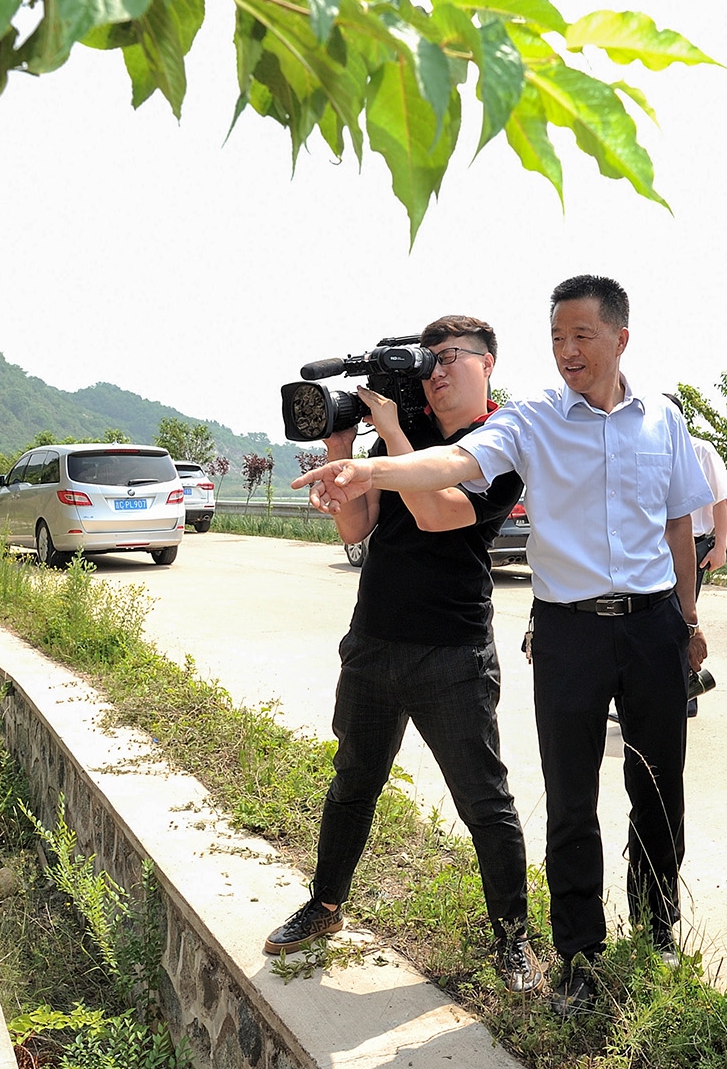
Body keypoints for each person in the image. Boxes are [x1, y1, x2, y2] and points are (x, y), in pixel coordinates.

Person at [294, 276, 711, 1014]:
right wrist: (367, 463)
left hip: (649, 626)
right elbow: (450, 465)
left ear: (621, 337)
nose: (567, 350)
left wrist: (688, 617)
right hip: (568, 632)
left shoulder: (663, 423)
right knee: (571, 803)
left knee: (657, 790)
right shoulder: (532, 422)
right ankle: (580, 955)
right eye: (556, 336)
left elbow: (682, 524)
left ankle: (657, 934)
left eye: (582, 335)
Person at [262, 315, 542, 996]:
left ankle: (513, 939)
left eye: (453, 358)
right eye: (431, 359)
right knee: (352, 781)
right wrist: (339, 444)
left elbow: (437, 512)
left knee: (484, 801)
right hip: (374, 642)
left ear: (488, 364)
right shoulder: (405, 427)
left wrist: (388, 434)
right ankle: (325, 906)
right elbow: (360, 526)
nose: (439, 370)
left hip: (452, 654)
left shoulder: (496, 444)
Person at [664, 392, 727, 717]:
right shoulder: (656, 450)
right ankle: (674, 691)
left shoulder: (700, 449)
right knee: (661, 621)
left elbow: (721, 501)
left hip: (693, 547)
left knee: (681, 620)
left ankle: (686, 693)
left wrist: (720, 547)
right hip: (660, 549)